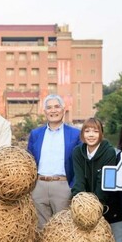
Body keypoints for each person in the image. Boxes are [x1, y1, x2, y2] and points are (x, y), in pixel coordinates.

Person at [27, 94, 81, 230]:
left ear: (63, 109)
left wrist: (72, 187)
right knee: (40, 229)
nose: (53, 110)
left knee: (63, 229)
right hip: (39, 187)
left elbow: (80, 164)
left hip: (63, 186)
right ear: (44, 111)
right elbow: (29, 160)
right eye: (49, 107)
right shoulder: (36, 134)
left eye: (57, 107)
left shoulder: (75, 134)